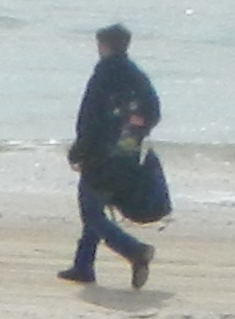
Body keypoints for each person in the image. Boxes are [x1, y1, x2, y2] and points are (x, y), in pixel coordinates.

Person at [61, 24, 161, 291]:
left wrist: (79, 149)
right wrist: (135, 130)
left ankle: (135, 251)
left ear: (104, 45)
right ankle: (83, 266)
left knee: (91, 211)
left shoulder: (104, 73)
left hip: (99, 153)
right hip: (127, 152)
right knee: (97, 206)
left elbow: (91, 118)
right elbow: (153, 112)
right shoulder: (137, 76)